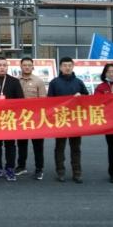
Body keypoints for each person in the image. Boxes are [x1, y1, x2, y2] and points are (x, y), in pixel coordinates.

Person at [48, 56, 89, 184]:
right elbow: (49, 101)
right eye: (65, 65)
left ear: (73, 67)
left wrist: (81, 96)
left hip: (75, 119)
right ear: (60, 67)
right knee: (59, 147)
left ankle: (77, 173)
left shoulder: (79, 82)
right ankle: (60, 171)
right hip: (60, 119)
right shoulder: (54, 83)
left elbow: (88, 98)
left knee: (75, 148)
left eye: (69, 65)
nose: (67, 68)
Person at [0, 57, 25, 182]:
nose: (2, 67)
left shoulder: (14, 81)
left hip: (9, 118)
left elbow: (20, 100)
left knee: (10, 145)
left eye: (4, 65)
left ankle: (10, 168)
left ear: (7, 67)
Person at [16, 57, 47, 180]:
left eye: (29, 65)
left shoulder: (38, 81)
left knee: (38, 146)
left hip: (36, 119)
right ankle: (21, 166)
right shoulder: (15, 81)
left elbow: (43, 101)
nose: (27, 67)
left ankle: (39, 169)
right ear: (21, 66)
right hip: (20, 119)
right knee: (21, 144)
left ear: (33, 66)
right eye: (24, 65)